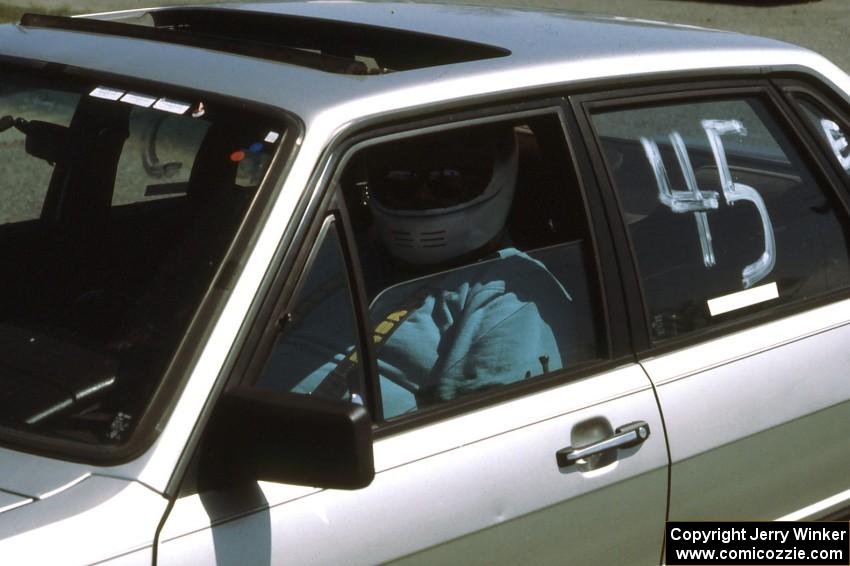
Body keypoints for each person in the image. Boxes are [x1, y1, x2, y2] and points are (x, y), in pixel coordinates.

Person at [260, 125, 575, 419]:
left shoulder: (509, 295)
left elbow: (482, 436)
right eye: (401, 182)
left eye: (447, 181)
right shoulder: (341, 247)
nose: (423, 196)